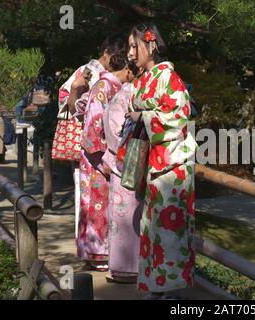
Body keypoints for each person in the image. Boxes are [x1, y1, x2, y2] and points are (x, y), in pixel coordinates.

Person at [126, 23, 198, 299]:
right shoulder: (147, 78)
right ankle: (159, 285)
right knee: (154, 228)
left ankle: (173, 289)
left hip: (172, 166)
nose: (131, 54)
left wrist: (142, 116)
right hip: (155, 162)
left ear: (150, 45)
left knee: (170, 230)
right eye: (130, 47)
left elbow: (178, 117)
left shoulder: (170, 78)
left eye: (135, 46)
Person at [57, 33, 127, 241]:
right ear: (106, 52)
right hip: (91, 145)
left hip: (109, 143)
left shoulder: (115, 75)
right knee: (88, 198)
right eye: (117, 55)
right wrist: (76, 90)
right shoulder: (86, 72)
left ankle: (102, 247)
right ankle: (93, 247)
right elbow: (69, 108)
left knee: (104, 198)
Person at [77, 51, 133, 271]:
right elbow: (92, 129)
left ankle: (103, 254)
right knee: (97, 206)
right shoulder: (104, 87)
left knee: (104, 206)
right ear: (128, 69)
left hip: (108, 156)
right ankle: (98, 254)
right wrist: (104, 161)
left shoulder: (113, 87)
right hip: (98, 158)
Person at [102, 61, 142, 283]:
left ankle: (122, 267)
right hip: (127, 162)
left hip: (120, 161)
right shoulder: (131, 93)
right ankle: (128, 268)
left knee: (122, 219)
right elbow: (121, 132)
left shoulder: (122, 93)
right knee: (128, 219)